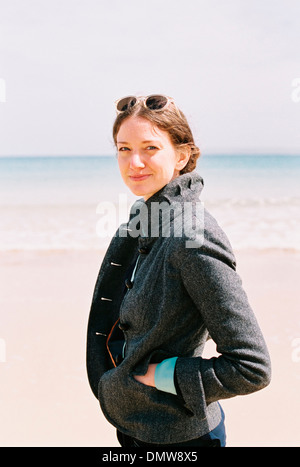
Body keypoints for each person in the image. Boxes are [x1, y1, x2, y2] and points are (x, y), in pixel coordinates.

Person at [86, 95, 271, 447]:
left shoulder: (192, 235)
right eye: (123, 149)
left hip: (182, 439)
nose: (134, 162)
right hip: (136, 426)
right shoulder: (145, 221)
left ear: (182, 156)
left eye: (150, 147)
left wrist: (162, 374)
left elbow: (252, 367)